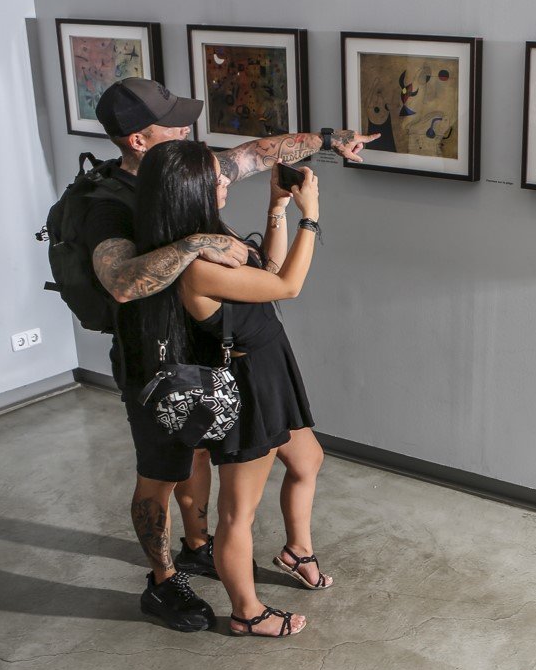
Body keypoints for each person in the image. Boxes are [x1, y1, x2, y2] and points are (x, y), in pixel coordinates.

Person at [80, 77, 372, 631]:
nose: (188, 129)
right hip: (156, 362)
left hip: (220, 349)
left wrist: (329, 140)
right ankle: (165, 581)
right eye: (172, 123)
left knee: (220, 469)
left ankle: (201, 545)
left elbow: (256, 154)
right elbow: (120, 281)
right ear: (139, 140)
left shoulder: (187, 173)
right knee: (163, 476)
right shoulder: (109, 208)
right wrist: (196, 246)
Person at [129, 140, 328, 636]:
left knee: (308, 461)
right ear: (189, 191)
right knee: (238, 514)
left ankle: (296, 550)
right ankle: (247, 612)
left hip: (272, 370)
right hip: (249, 388)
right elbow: (288, 287)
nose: (224, 182)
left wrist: (277, 207)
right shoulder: (196, 266)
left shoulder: (210, 238)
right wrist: (312, 216)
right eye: (215, 178)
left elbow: (269, 271)